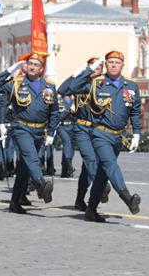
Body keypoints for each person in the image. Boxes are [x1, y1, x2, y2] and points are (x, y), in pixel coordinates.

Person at [69, 51, 141, 222]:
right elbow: (69, 88)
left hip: (118, 136)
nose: (114, 65)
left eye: (117, 62)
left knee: (103, 173)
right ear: (106, 64)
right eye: (110, 62)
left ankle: (91, 209)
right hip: (100, 134)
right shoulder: (96, 83)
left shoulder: (131, 86)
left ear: (123, 65)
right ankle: (127, 197)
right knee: (110, 164)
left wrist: (137, 133)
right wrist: (88, 71)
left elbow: (136, 111)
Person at [0, 53, 58, 214]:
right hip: (22, 128)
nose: (33, 66)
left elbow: (54, 111)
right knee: (32, 158)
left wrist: (52, 131)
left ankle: (15, 201)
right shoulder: (16, 83)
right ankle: (41, 184)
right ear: (25, 66)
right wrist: (9, 71)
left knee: (24, 168)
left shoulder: (49, 86)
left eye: (36, 64)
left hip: (39, 130)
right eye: (30, 64)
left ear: (41, 69)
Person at [58, 57, 110, 211]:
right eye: (93, 67)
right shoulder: (80, 84)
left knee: (88, 167)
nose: (96, 70)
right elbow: (62, 90)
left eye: (99, 67)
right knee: (90, 159)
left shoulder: (103, 84)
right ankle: (100, 187)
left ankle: (80, 199)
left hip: (99, 128)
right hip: (81, 127)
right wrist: (77, 74)